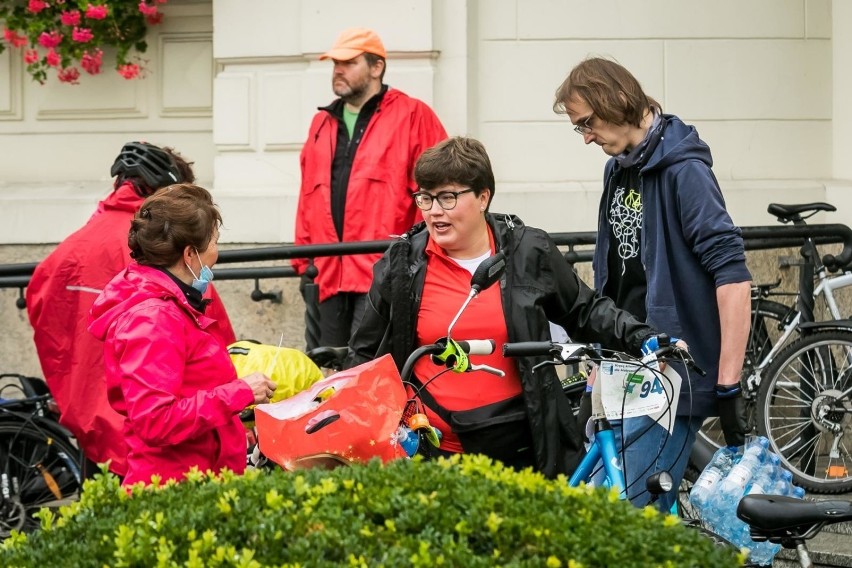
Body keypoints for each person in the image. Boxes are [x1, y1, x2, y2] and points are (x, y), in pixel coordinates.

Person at [346, 136, 663, 477]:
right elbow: (364, 352)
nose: (434, 210)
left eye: (448, 197)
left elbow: (584, 310)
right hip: (434, 449)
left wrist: (642, 337)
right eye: (426, 196)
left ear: (483, 197)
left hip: (521, 443)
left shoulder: (528, 251)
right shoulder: (403, 263)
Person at [553, 57, 752, 510]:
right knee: (600, 507)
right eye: (577, 127)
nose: (585, 137)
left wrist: (728, 386)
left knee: (626, 514)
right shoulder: (618, 168)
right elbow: (618, 276)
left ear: (617, 99)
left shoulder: (684, 170)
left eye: (587, 122)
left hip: (670, 371)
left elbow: (733, 275)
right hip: (625, 362)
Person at [26, 141, 236, 479]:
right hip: (169, 444)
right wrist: (238, 392)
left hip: (95, 421)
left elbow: (46, 322)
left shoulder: (73, 248)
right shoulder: (170, 264)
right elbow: (219, 342)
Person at [87, 184, 276, 487]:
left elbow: (192, 391)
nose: (217, 252)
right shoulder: (154, 318)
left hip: (195, 479)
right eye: (214, 242)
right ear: (190, 254)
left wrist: (233, 432)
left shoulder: (169, 306)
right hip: (176, 489)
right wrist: (240, 393)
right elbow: (156, 422)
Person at [293, 27, 448, 348]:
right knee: (330, 374)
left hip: (385, 273)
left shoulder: (412, 115)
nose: (338, 70)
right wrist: (302, 259)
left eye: (349, 63)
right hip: (326, 274)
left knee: (375, 372)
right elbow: (308, 196)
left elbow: (442, 191)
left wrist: (426, 259)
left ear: (376, 68)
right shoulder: (320, 123)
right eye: (335, 63)